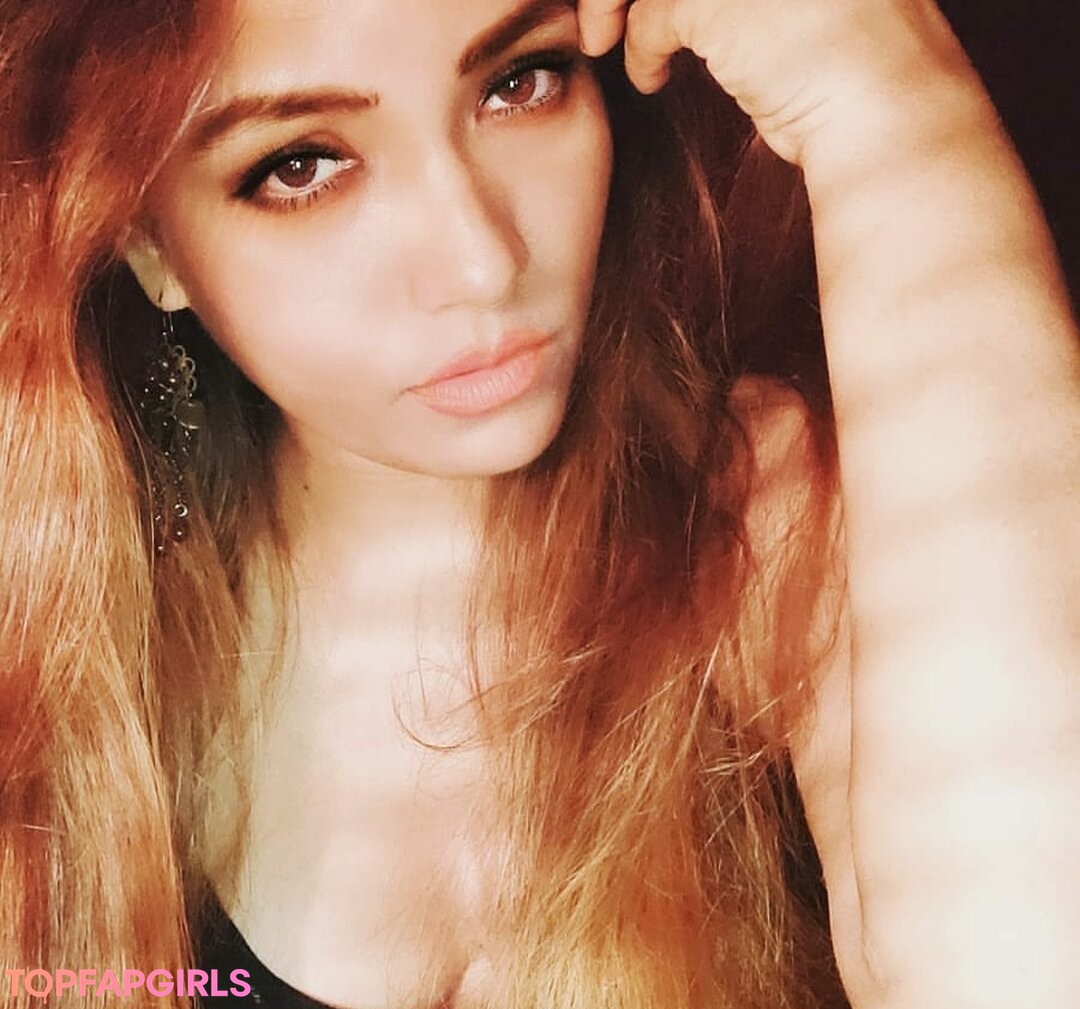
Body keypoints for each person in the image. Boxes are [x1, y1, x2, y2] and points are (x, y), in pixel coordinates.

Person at [0, 0, 1077, 1007]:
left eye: (520, 83)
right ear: (150, 243)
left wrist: (891, 108)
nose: (482, 261)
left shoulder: (769, 515)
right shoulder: (77, 656)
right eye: (302, 165)